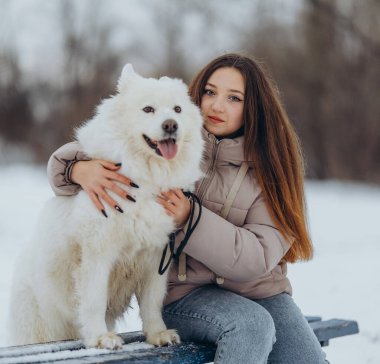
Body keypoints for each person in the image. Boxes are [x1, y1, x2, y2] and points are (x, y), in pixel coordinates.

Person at [47, 53, 328, 363]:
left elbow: (256, 258)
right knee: (250, 327)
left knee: (306, 358)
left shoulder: (275, 168)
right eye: (210, 92)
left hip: (261, 292)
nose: (217, 106)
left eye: (234, 98)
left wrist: (190, 218)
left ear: (254, 108)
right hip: (187, 293)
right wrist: (76, 168)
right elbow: (105, 140)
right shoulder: (175, 144)